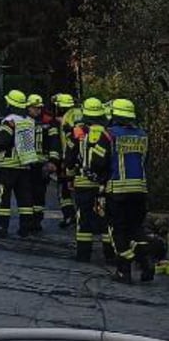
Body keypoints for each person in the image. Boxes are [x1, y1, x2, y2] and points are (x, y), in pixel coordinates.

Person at [89, 99, 154, 283]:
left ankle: (124, 271)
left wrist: (99, 178)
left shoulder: (109, 135)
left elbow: (98, 162)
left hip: (117, 191)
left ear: (115, 115)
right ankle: (146, 260)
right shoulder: (143, 135)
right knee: (136, 228)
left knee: (118, 230)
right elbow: (145, 161)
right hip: (140, 189)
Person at [66, 98, 115, 263]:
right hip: (102, 185)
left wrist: (69, 177)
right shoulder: (108, 133)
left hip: (82, 183)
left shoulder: (77, 132)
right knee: (105, 219)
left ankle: (83, 254)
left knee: (83, 219)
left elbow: (70, 159)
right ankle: (110, 255)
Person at [0, 90, 38, 238]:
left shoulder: (9, 121)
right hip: (25, 165)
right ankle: (25, 228)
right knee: (25, 198)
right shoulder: (28, 121)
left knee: (4, 199)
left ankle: (1, 228)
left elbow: (3, 141)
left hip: (8, 167)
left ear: (10, 104)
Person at [26, 94, 54, 232]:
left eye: (39, 108)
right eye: (34, 108)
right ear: (28, 107)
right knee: (27, 194)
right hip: (26, 165)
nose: (37, 111)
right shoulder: (22, 122)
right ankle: (27, 221)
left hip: (42, 166)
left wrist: (52, 162)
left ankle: (37, 221)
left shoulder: (48, 122)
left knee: (40, 194)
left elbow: (54, 144)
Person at [50, 93, 78, 228]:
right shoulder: (80, 113)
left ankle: (69, 215)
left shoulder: (62, 120)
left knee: (64, 189)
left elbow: (59, 141)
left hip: (67, 158)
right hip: (84, 158)